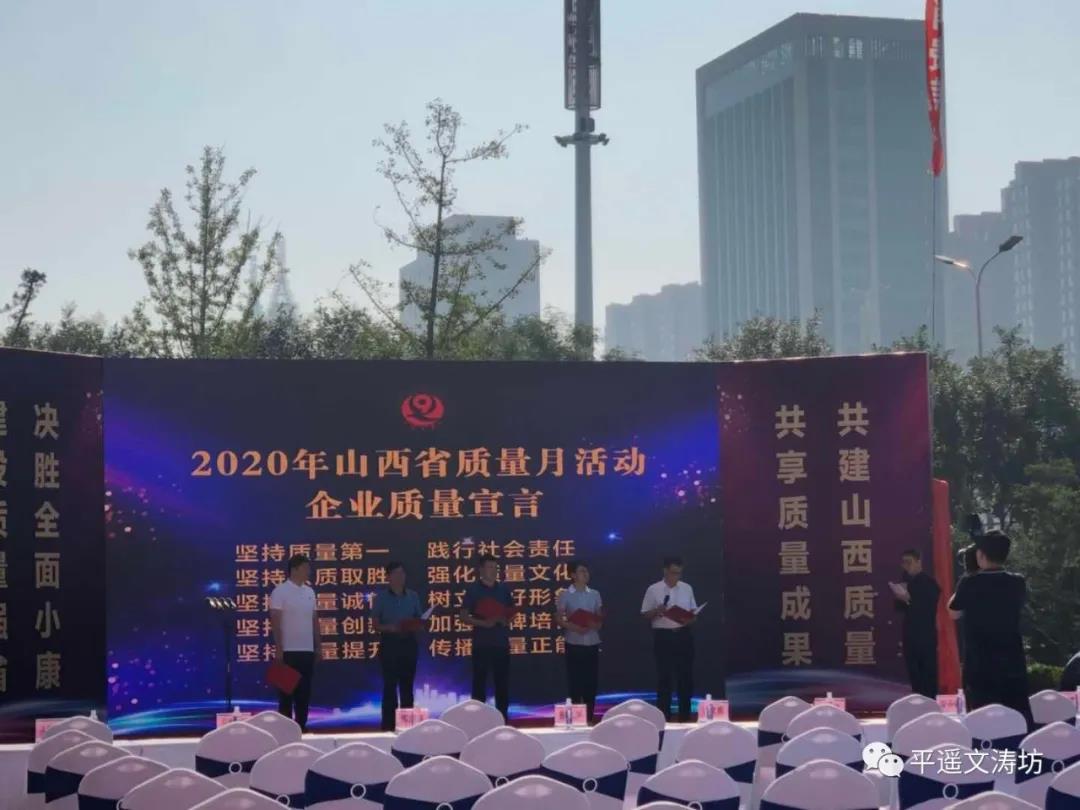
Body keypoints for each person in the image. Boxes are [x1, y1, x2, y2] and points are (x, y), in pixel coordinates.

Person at [948, 530, 1031, 727]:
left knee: (982, 723)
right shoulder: (1017, 582)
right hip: (1012, 663)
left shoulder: (969, 582)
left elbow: (953, 612)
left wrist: (968, 575)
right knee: (1016, 720)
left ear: (981, 555)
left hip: (980, 665)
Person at [641, 556, 697, 723]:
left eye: (679, 573)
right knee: (664, 678)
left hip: (683, 635)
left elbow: (693, 612)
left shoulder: (687, 588)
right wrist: (657, 611)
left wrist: (690, 618)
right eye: (673, 573)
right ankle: (663, 718)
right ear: (665, 570)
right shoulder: (654, 589)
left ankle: (685, 718)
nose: (676, 577)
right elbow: (645, 613)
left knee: (685, 678)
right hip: (663, 637)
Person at [270, 554, 321, 731]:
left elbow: (314, 620)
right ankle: (286, 731)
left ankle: (302, 727)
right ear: (294, 569)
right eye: (306, 568)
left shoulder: (310, 592)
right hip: (288, 651)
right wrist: (279, 647)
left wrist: (318, 646)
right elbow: (275, 621)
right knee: (286, 694)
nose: (309, 572)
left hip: (306, 650)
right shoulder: (280, 591)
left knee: (304, 693)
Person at [460, 554, 514, 721]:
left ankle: (503, 719)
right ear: (481, 570)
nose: (493, 571)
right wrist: (484, 623)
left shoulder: (503, 589)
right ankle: (477, 721)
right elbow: (463, 616)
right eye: (490, 567)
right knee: (479, 684)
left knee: (502, 684)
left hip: (501, 642)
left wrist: (505, 619)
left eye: (495, 568)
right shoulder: (473, 590)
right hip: (481, 643)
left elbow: (511, 612)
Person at [373, 561, 423, 731]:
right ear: (388, 577)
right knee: (390, 687)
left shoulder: (413, 596)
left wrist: (418, 624)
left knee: (407, 687)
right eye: (396, 573)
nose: (400, 577)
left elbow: (419, 619)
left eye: (402, 573)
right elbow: (375, 624)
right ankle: (388, 727)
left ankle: (407, 727)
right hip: (390, 644)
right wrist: (390, 627)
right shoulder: (381, 598)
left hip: (409, 643)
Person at [555, 560, 603, 724]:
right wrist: (573, 627)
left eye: (586, 571)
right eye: (582, 571)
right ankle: (576, 721)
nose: (586, 574)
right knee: (575, 682)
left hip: (592, 642)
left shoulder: (595, 594)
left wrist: (595, 623)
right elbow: (559, 618)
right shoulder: (565, 594)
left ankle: (589, 719)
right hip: (573, 642)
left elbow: (599, 617)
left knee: (591, 682)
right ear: (573, 575)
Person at [891, 549, 941, 698]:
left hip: (925, 634)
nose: (906, 566)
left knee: (927, 672)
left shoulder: (929, 583)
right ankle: (916, 700)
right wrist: (900, 597)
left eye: (909, 562)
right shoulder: (906, 582)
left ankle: (930, 702)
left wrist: (909, 599)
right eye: (904, 563)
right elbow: (898, 608)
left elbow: (928, 607)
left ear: (919, 562)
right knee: (913, 672)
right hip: (910, 633)